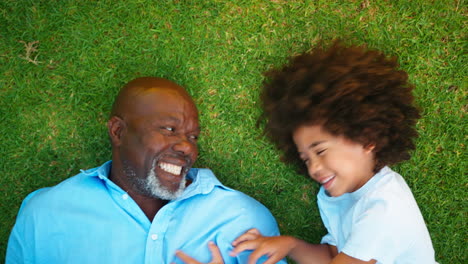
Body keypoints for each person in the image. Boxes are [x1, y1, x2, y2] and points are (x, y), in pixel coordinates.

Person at [6, 77, 286, 264]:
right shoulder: (46, 214)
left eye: (193, 136)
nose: (187, 148)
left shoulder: (243, 221)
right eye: (169, 129)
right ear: (118, 131)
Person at [228, 41, 438, 263]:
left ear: (367, 137)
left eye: (321, 151)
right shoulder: (337, 195)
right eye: (306, 159)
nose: (314, 168)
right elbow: (331, 255)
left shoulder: (385, 209)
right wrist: (290, 245)